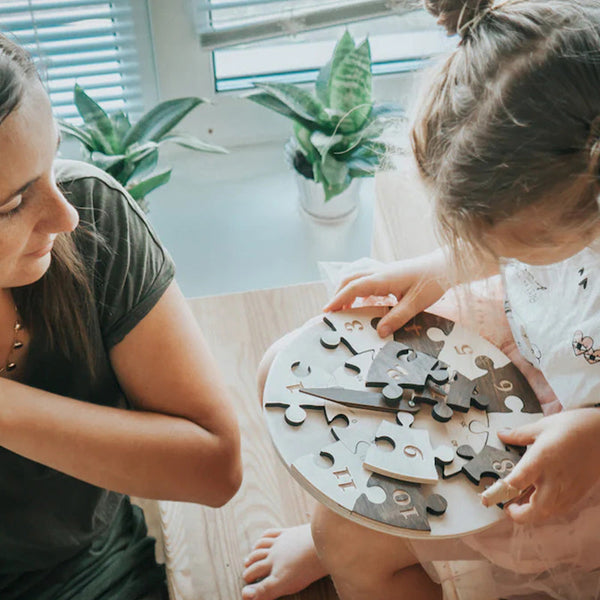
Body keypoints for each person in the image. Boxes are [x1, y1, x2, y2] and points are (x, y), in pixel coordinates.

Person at [242, 0, 600, 598]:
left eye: (509, 238)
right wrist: (444, 268)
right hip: (535, 329)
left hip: (576, 446)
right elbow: (531, 248)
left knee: (349, 536)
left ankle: (350, 547)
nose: (486, 248)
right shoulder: (569, 158)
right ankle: (340, 534)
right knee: (280, 369)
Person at [0, 33, 242, 599]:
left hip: (86, 570)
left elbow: (214, 465)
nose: (63, 217)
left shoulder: (94, 218)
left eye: (52, 164)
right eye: (12, 204)